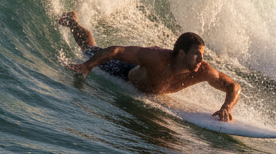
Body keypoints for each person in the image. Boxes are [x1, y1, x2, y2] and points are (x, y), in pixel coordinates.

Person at [58, 11, 240, 122]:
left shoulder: (202, 70)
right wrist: (87, 66)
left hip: (148, 84)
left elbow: (234, 86)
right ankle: (72, 21)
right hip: (125, 71)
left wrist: (226, 107)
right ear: (181, 54)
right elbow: (115, 51)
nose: (201, 59)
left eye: (202, 55)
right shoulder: (157, 58)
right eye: (196, 54)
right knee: (89, 49)